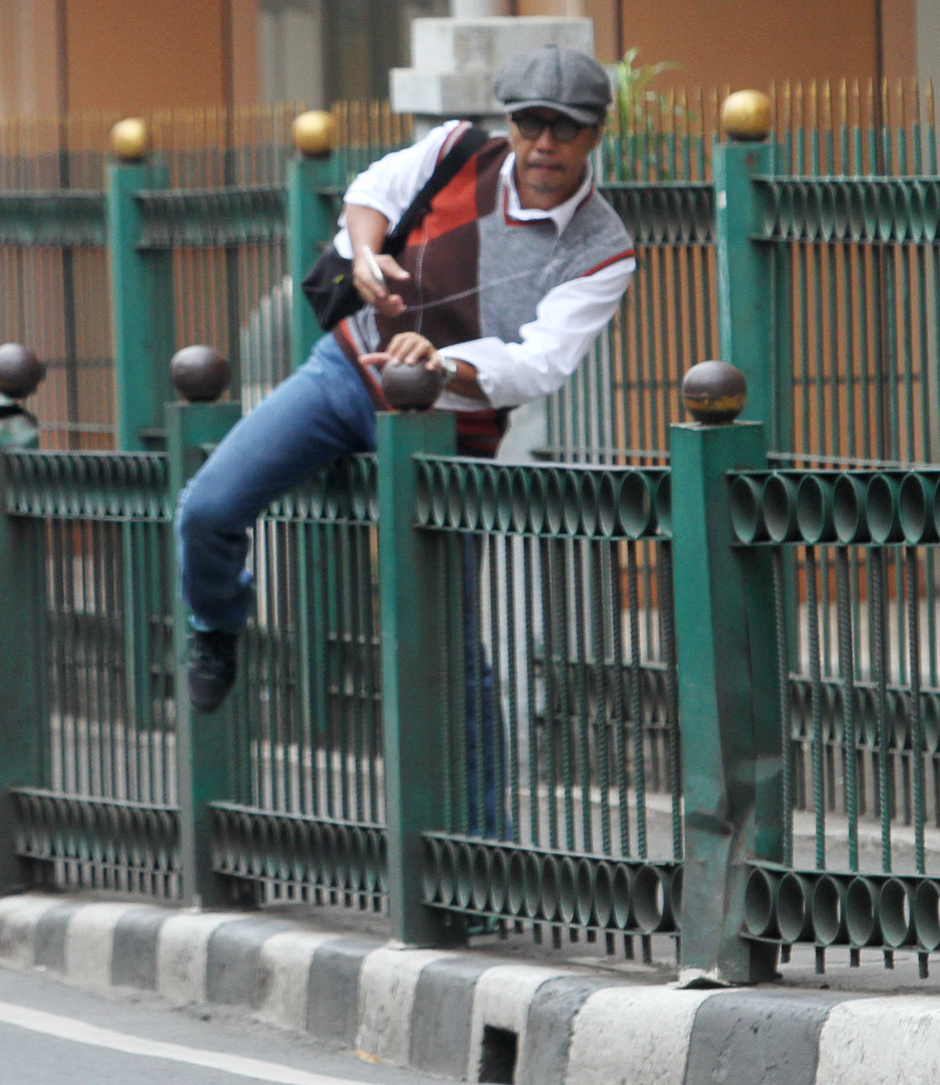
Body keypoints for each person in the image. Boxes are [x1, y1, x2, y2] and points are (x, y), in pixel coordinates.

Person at [177, 44, 637, 719]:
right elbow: (373, 192)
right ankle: (215, 626)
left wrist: (443, 364)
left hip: (451, 426)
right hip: (345, 373)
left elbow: (542, 361)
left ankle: (483, 826)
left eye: (564, 127)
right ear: (508, 123)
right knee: (207, 508)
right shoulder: (455, 149)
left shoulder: (604, 248)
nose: (544, 143)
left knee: (449, 652)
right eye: (530, 122)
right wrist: (364, 253)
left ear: (596, 133)